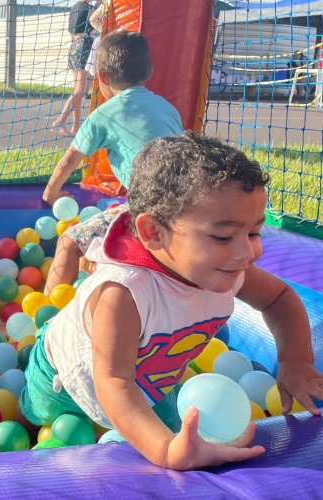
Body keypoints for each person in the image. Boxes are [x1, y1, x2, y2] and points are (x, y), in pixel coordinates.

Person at [20, 132, 323, 470]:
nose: (248, 252)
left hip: (152, 381)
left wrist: (296, 362)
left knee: (174, 428)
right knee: (40, 417)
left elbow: (280, 298)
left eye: (253, 232)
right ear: (153, 233)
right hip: (66, 375)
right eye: (223, 236)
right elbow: (114, 382)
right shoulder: (125, 292)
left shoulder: (227, 268)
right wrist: (166, 452)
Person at [42, 30, 183, 295]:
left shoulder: (104, 115)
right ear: (149, 71)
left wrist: (50, 194)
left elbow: (68, 161)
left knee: (69, 242)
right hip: (184, 207)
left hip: (150, 213)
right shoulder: (167, 107)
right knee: (96, 242)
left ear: (102, 77)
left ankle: (44, 321)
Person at [52, 0, 102, 136]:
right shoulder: (90, 8)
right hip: (84, 45)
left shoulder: (74, 8)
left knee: (78, 90)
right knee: (81, 90)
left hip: (73, 45)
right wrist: (99, 5)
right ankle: (61, 120)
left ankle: (75, 127)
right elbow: (97, 22)